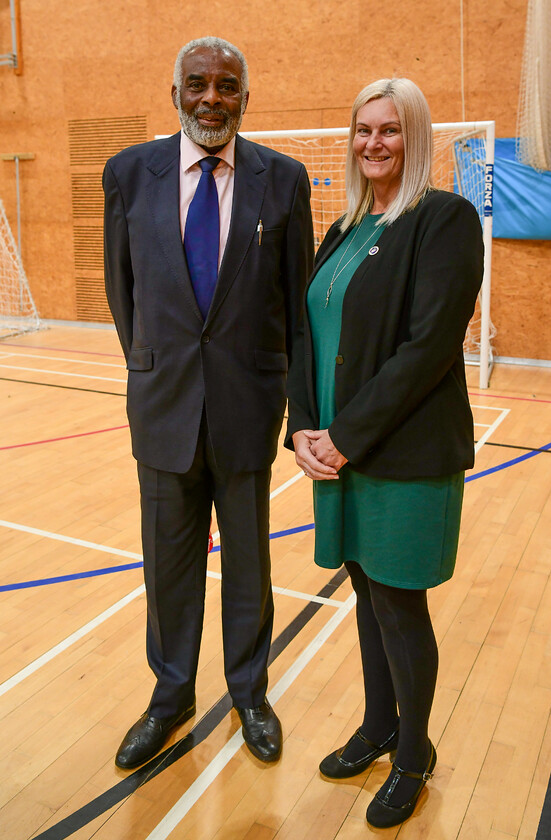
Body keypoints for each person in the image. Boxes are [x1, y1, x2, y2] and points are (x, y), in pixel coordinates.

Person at [103, 36, 314, 770]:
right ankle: (170, 697)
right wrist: (155, 366)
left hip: (247, 408)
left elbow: (298, 309)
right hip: (162, 407)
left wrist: (302, 408)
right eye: (198, 84)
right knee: (167, 566)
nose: (211, 99)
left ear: (245, 99)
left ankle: (250, 692)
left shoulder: (283, 180)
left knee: (249, 563)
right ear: (176, 95)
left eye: (227, 86)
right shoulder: (129, 173)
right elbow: (121, 292)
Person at [286, 78, 483, 828]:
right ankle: (377, 727)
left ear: (417, 137)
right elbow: (307, 332)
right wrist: (303, 426)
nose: (374, 142)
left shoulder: (444, 220)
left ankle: (414, 753)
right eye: (364, 129)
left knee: (400, 605)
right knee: (365, 595)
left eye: (391, 131)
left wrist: (343, 436)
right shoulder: (343, 228)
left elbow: (429, 346)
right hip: (336, 448)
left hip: (400, 452)